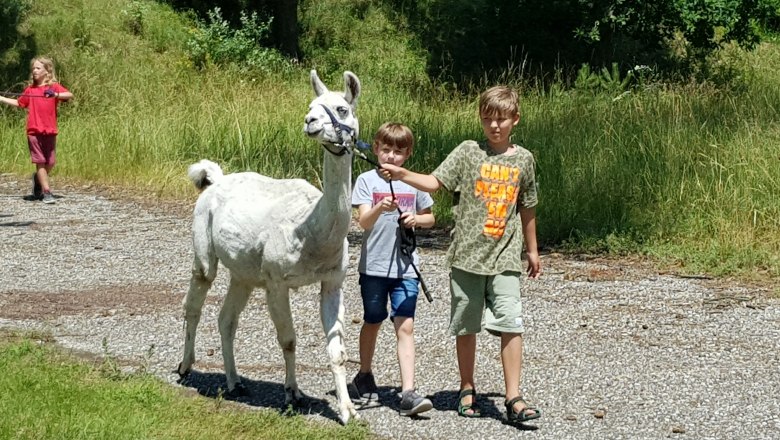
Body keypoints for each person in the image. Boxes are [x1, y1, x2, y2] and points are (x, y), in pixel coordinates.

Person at [380, 86, 542, 426]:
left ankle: (513, 396)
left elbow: (527, 206)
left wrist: (532, 250)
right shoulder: (469, 151)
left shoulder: (524, 159)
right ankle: (467, 387)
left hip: (505, 257)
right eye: (487, 119)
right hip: (466, 256)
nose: (494, 126)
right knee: (467, 326)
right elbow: (434, 182)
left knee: (511, 323)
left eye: (501, 119)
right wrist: (402, 173)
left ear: (515, 119)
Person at [351, 122, 436, 416]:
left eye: (398, 152)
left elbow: (430, 218)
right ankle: (364, 374)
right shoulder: (366, 181)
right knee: (373, 319)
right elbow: (363, 222)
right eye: (386, 149)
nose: (391, 156)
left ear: (408, 154)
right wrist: (380, 208)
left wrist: (416, 220)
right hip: (373, 268)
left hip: (407, 269)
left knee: (405, 324)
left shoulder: (414, 182)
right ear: (376, 149)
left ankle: (408, 392)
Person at [0, 56, 73, 204]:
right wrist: (1, 98)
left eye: (38, 68)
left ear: (47, 71)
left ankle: (38, 179)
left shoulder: (53, 88)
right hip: (33, 131)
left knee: (50, 162)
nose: (34, 71)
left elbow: (69, 95)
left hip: (50, 131)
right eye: (33, 68)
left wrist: (55, 95)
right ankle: (46, 192)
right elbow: (19, 103)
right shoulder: (30, 90)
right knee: (40, 161)